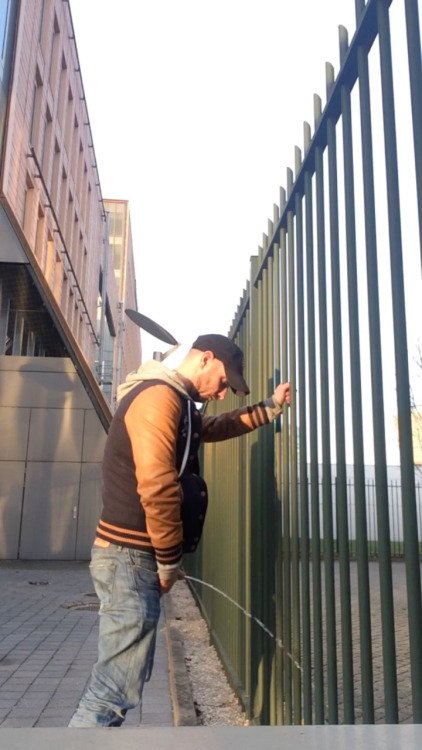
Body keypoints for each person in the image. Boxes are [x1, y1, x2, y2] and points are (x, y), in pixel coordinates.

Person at [69, 334, 290, 728]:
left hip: (129, 558)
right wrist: (169, 562)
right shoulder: (159, 397)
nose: (222, 394)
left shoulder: (178, 402)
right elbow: (157, 487)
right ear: (206, 359)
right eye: (223, 382)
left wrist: (268, 408)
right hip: (129, 557)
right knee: (112, 692)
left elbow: (214, 426)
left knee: (116, 686)